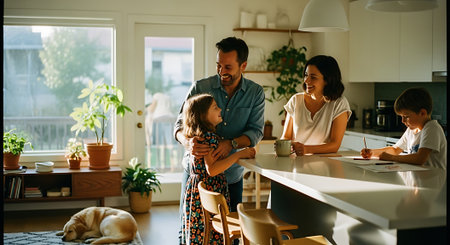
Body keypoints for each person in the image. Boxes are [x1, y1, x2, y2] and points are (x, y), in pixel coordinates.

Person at [174, 37, 265, 243]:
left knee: (230, 234)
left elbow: (256, 132)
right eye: (218, 65)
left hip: (231, 176)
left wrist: (231, 144)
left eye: (228, 66)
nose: (221, 71)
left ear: (243, 66)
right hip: (195, 176)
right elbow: (179, 126)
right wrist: (188, 143)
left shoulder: (255, 93)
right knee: (188, 229)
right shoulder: (200, 87)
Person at [179, 94, 256, 245]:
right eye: (215, 107)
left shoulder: (199, 136)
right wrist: (239, 154)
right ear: (203, 115)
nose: (220, 109)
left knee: (201, 234)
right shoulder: (209, 138)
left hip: (196, 190)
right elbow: (212, 170)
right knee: (212, 233)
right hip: (210, 188)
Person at [280, 55, 351, 155]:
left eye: (313, 77)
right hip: (296, 163)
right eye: (306, 75)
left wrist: (306, 149)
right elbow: (285, 138)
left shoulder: (339, 103)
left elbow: (335, 145)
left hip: (325, 165)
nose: (306, 80)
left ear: (327, 80)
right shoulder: (295, 100)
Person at [360, 87, 446, 170]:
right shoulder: (411, 130)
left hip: (434, 180)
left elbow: (420, 159)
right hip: (419, 178)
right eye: (401, 116)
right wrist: (372, 152)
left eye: (406, 116)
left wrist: (392, 158)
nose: (402, 121)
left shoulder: (431, 128)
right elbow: (395, 149)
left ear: (422, 113)